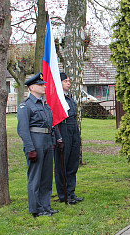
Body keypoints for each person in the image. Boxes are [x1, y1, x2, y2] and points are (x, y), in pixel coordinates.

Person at [17, 72, 62, 217]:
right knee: (35, 177)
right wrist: (30, 148)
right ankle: (36, 208)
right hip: (35, 141)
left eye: (43, 84)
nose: (43, 87)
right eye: (40, 84)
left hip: (47, 141)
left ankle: (45, 206)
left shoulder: (45, 104)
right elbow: (23, 129)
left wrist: (55, 140)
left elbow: (51, 124)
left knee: (46, 176)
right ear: (31, 88)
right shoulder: (26, 106)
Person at [54, 72, 83, 204]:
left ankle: (71, 192)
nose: (68, 83)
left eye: (68, 80)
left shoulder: (70, 98)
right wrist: (59, 137)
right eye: (65, 81)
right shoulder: (57, 99)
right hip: (63, 129)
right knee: (62, 164)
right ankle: (63, 194)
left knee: (72, 163)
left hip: (73, 130)